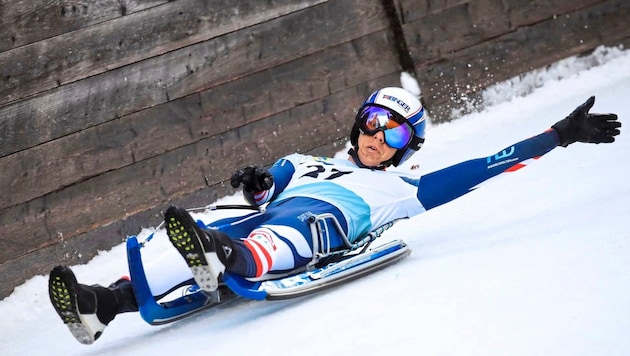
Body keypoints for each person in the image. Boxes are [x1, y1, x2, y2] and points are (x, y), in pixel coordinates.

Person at [48, 87, 621, 344]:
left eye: (393, 132)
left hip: (317, 228)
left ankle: (224, 260)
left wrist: (556, 137)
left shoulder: (400, 188)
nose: (377, 137)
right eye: (373, 121)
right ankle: (100, 304)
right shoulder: (303, 160)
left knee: (288, 230)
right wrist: (256, 182)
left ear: (406, 147)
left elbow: (481, 167)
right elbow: (267, 185)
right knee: (195, 229)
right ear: (359, 123)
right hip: (258, 216)